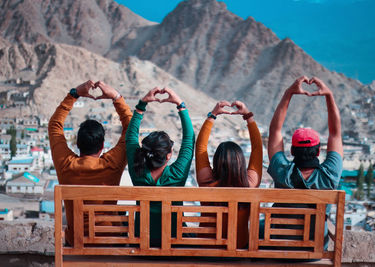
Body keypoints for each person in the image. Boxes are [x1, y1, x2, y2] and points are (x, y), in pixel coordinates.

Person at [48, 80, 132, 246]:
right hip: (110, 241)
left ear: (77, 144)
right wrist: (116, 97)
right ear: (102, 146)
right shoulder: (112, 165)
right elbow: (131, 129)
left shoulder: (66, 165)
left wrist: (74, 94)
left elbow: (54, 126)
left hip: (77, 242)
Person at [265, 76, 343, 249]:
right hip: (313, 251)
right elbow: (335, 134)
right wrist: (329, 95)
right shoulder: (328, 175)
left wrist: (288, 93)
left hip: (279, 247)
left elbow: (275, 130)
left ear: (292, 151)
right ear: (318, 151)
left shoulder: (282, 173)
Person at [126, 87, 195, 246]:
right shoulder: (177, 175)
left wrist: (141, 105)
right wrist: (180, 105)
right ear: (169, 155)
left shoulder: (137, 172)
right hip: (175, 245)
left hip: (142, 245)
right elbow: (189, 140)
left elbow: (130, 138)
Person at [195, 100, 263, 248]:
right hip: (239, 251)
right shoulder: (250, 184)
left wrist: (212, 115)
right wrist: (248, 116)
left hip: (206, 250)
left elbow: (200, 147)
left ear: (217, 161)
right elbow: (258, 148)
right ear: (241, 163)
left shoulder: (206, 182)